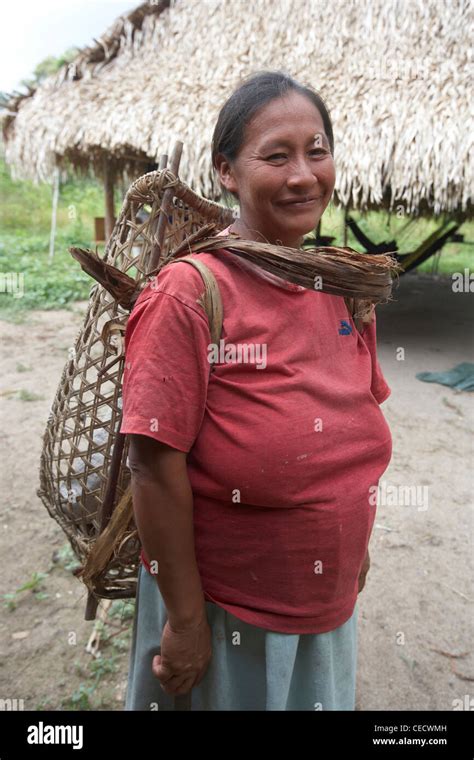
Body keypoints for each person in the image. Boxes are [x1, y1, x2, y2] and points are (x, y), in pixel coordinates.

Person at [120, 70, 392, 711]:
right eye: (276, 156)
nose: (303, 175)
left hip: (322, 604)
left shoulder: (342, 285)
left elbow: (356, 432)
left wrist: (352, 549)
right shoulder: (188, 296)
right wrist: (186, 624)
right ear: (226, 172)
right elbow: (153, 468)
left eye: (317, 150)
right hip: (225, 613)